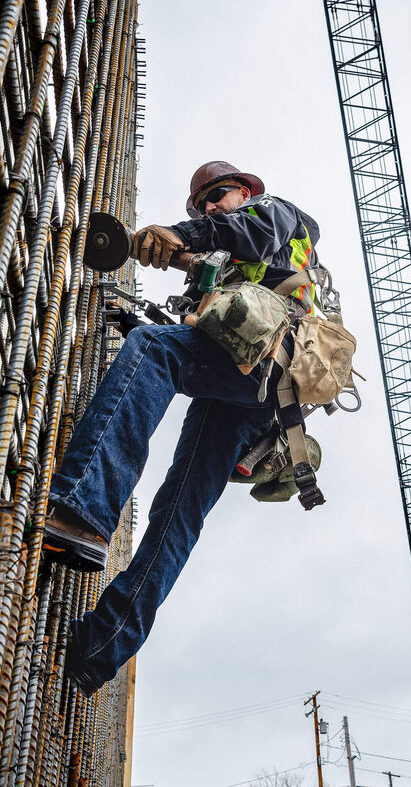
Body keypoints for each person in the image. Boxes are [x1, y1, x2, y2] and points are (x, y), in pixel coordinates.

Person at [42, 161, 321, 695]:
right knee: (179, 512)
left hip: (268, 365)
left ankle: (82, 510)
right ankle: (97, 651)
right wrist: (155, 319)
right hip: (246, 380)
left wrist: (181, 233)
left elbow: (249, 230)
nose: (209, 207)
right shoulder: (222, 263)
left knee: (152, 353)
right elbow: (210, 331)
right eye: (199, 205)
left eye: (216, 196)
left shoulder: (277, 214)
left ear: (245, 190)